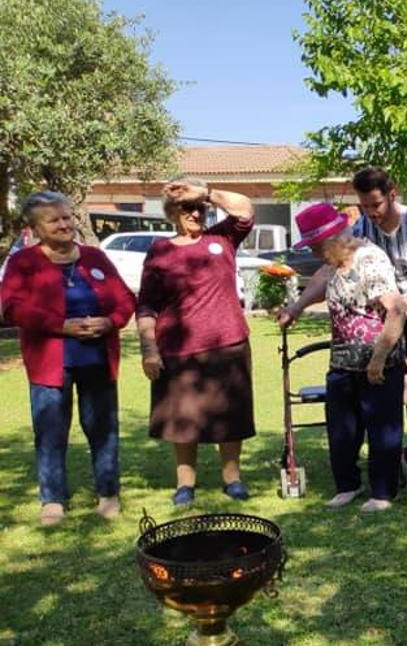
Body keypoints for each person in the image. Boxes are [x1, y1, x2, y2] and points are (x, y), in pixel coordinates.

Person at [281, 167, 407, 480]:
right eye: (364, 206)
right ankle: (399, 461)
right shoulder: (363, 227)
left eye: (376, 205)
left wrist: (395, 309)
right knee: (386, 398)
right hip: (384, 312)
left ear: (392, 194)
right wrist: (297, 307)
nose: (371, 213)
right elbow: (329, 274)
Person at [1, 192, 135, 525]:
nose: (64, 224)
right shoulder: (24, 263)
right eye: (54, 220)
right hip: (50, 363)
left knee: (103, 429)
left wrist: (110, 321)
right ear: (34, 228)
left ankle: (107, 493)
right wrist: (61, 326)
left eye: (66, 217)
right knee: (50, 431)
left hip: (98, 359)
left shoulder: (94, 257)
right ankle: (53, 500)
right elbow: (11, 307)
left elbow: (125, 299)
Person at [137, 178, 256, 506]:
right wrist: (148, 347)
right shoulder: (160, 250)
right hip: (178, 347)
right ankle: (185, 483)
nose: (195, 213)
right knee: (183, 420)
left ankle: (232, 477)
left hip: (228, 340)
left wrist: (205, 192)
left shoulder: (222, 238)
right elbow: (146, 303)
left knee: (230, 416)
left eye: (200, 208)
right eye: (187, 208)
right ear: (172, 213)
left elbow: (245, 209)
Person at [294, 203, 407, 512]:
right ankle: (348, 485)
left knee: (382, 427)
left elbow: (396, 310)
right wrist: (295, 308)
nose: (314, 252)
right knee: (341, 428)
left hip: (377, 361)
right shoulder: (332, 263)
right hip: (342, 361)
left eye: (316, 246)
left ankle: (383, 492)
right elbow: (319, 281)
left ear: (334, 239)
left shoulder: (370, 259)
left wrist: (379, 357)